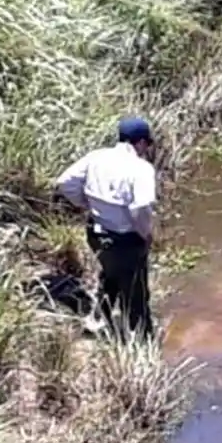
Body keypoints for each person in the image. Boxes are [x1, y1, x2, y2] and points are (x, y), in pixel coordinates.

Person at [54, 116, 157, 340]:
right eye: (147, 144)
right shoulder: (141, 169)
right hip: (125, 240)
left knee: (110, 274)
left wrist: (85, 203)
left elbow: (64, 182)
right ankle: (142, 342)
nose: (147, 149)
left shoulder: (96, 157)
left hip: (96, 233)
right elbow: (141, 206)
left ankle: (97, 322)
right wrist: (145, 233)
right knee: (136, 293)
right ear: (139, 143)